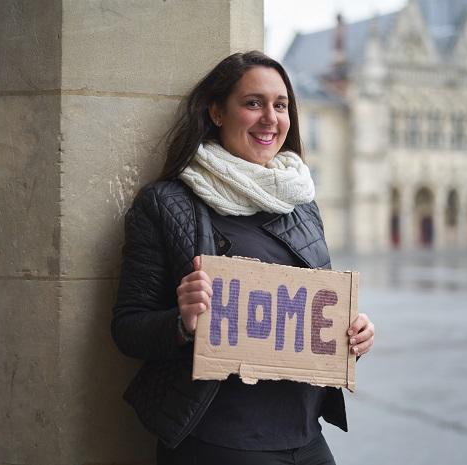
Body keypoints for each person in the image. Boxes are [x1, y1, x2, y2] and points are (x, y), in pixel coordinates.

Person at [111, 50, 375, 465]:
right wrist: (182, 323)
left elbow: (310, 308)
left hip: (307, 438)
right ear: (217, 112)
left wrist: (351, 331)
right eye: (254, 103)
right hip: (220, 441)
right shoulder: (166, 203)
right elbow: (128, 328)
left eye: (281, 105)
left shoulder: (301, 201)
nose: (271, 118)